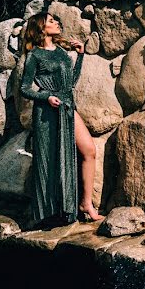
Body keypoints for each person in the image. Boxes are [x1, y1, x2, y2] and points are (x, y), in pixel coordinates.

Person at [19, 12, 104, 225]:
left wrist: (80, 56)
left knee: (89, 150)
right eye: (51, 21)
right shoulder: (34, 56)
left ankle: (85, 204)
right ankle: (51, 213)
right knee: (52, 160)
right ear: (40, 28)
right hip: (47, 113)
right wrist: (46, 96)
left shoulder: (60, 51)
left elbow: (71, 82)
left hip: (67, 107)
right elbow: (24, 88)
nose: (56, 22)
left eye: (55, 20)